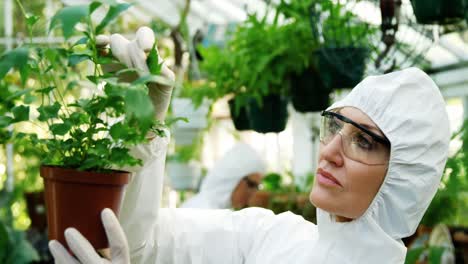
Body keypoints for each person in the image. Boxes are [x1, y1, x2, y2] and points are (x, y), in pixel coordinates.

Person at [48, 27, 450, 264]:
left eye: (363, 141)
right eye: (336, 126)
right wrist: (142, 128)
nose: (330, 151)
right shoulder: (276, 238)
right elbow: (145, 244)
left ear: (403, 180)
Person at [180, 142, 266, 209]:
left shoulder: (219, 210)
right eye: (251, 185)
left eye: (257, 187)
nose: (254, 193)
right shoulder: (200, 210)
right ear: (233, 178)